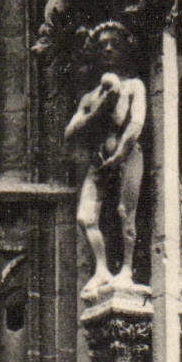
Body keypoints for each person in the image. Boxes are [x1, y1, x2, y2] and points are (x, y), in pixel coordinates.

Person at [66, 55, 146, 301]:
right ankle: (102, 268)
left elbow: (136, 122)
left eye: (114, 44)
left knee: (125, 212)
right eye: (102, 46)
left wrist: (120, 154)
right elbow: (70, 132)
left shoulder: (133, 86)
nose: (109, 49)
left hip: (127, 156)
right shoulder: (91, 97)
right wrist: (97, 108)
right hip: (99, 162)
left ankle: (127, 269)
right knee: (85, 216)